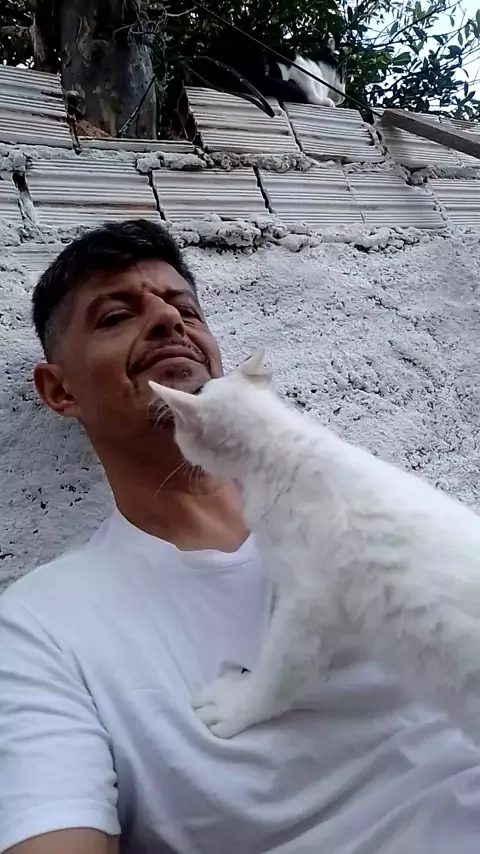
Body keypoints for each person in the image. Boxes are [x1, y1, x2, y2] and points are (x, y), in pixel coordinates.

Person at [1, 220, 480, 854]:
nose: (167, 320)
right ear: (60, 389)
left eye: (184, 309)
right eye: (116, 315)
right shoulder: (41, 629)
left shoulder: (392, 513)